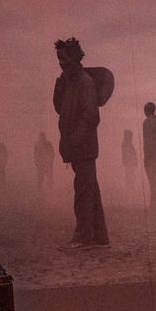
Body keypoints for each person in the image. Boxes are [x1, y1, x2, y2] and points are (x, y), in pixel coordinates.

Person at [52, 37, 113, 246]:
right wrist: (58, 89)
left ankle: (84, 235)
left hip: (84, 148)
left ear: (75, 58)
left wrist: (75, 139)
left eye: (64, 58)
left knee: (83, 193)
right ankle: (100, 237)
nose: (61, 62)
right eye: (59, 58)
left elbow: (91, 116)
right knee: (90, 191)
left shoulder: (85, 82)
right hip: (77, 148)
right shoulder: (68, 82)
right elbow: (60, 109)